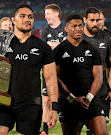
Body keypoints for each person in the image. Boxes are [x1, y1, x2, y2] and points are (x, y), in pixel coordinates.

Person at [0, 4, 59, 135]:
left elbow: (51, 78)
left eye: (30, 17)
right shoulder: (1, 41)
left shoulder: (42, 47)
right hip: (2, 102)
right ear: (13, 19)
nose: (27, 19)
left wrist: (54, 107)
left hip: (31, 105)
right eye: (22, 16)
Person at [54, 14, 109, 135]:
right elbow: (55, 78)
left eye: (80, 25)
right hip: (68, 102)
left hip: (90, 101)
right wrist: (71, 98)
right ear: (66, 28)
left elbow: (99, 77)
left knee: (103, 133)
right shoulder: (58, 51)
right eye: (74, 26)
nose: (78, 28)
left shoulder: (92, 50)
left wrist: (88, 98)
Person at [81, 7, 111, 135]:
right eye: (92, 20)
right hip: (80, 94)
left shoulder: (105, 37)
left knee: (99, 131)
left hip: (101, 94)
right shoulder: (78, 37)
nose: (95, 23)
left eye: (97, 20)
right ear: (84, 20)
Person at [40, 4, 67, 135]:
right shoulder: (44, 30)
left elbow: (68, 47)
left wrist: (52, 45)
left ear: (56, 14)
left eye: (48, 13)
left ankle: (67, 126)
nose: (46, 16)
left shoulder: (66, 28)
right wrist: (61, 43)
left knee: (66, 99)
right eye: (45, 14)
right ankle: (44, 130)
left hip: (64, 70)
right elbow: (43, 49)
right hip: (48, 69)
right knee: (46, 100)